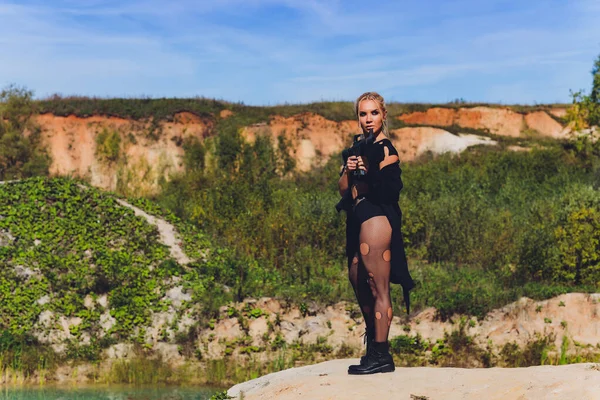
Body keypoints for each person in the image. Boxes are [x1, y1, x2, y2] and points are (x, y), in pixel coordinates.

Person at [336, 92, 415, 375]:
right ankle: (374, 347)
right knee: (358, 279)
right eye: (362, 114)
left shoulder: (384, 149)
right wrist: (349, 168)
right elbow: (344, 190)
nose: (368, 119)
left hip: (376, 219)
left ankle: (381, 354)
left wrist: (368, 171)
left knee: (378, 287)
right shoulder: (356, 148)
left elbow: (391, 191)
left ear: (383, 116)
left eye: (373, 113)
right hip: (358, 218)